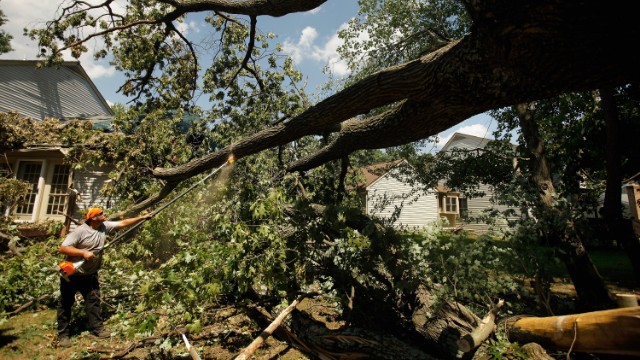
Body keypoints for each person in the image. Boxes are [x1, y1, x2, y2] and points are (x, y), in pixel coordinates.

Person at [56, 207, 153, 347]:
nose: (104, 214)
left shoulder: (103, 226)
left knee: (93, 301)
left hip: (90, 273)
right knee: (66, 303)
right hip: (71, 273)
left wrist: (142, 218)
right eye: (101, 214)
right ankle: (63, 335)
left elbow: (123, 223)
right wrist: (83, 253)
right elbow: (63, 248)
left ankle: (98, 329)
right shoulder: (80, 231)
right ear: (93, 218)